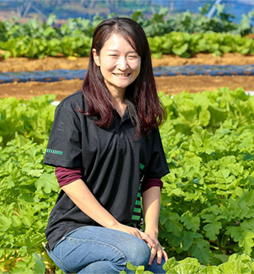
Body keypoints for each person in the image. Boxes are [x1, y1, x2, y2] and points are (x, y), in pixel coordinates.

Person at [42, 17, 169, 274]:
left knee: (149, 265)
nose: (123, 65)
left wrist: (151, 233)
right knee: (136, 254)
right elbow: (67, 176)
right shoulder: (75, 109)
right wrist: (115, 227)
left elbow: (152, 179)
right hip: (72, 233)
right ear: (96, 57)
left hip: (122, 234)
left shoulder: (143, 114)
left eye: (132, 56)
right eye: (114, 55)